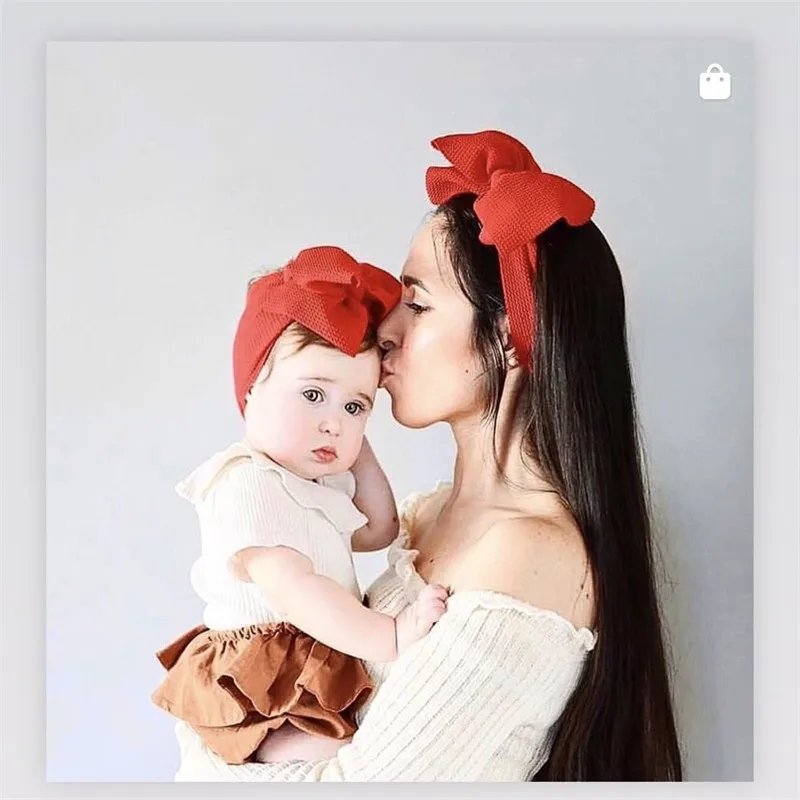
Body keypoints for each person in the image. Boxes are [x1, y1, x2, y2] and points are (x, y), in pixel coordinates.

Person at [170, 130, 684, 781]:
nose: (384, 330)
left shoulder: (528, 555)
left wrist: (199, 735)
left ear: (507, 335)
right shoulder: (425, 515)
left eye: (416, 303)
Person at [151, 245, 448, 766]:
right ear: (251, 393)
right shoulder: (246, 482)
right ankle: (266, 752)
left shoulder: (318, 485)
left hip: (312, 646)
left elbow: (380, 529)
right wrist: (392, 636)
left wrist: (357, 449)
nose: (334, 420)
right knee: (336, 752)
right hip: (260, 666)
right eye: (314, 395)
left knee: (348, 739)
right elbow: (294, 591)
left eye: (356, 406)